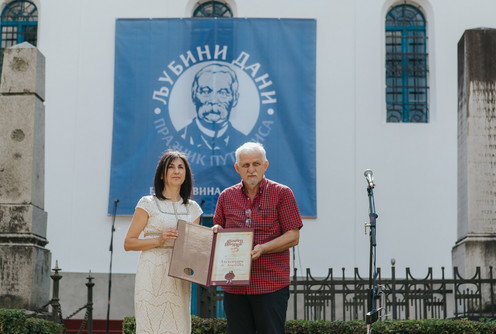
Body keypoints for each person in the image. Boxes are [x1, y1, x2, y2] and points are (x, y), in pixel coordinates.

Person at [213, 142, 303, 334]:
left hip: (270, 283)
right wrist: (216, 231)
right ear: (237, 168)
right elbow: (218, 228)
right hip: (234, 285)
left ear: (265, 165)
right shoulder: (226, 197)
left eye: (256, 164)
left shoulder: (282, 194)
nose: (251, 169)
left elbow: (293, 236)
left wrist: (263, 248)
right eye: (245, 165)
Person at [124, 150, 202, 334]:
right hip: (152, 274)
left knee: (178, 326)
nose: (177, 171)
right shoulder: (147, 203)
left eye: (181, 167)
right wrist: (159, 240)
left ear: (186, 174)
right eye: (171, 167)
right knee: (151, 326)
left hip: (178, 276)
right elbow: (128, 243)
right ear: (161, 174)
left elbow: (193, 249)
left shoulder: (193, 209)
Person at [179, 63, 246, 151]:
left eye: (223, 93)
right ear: (194, 95)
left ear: (235, 98)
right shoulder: (181, 137)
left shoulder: (244, 143)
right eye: (206, 91)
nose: (213, 100)